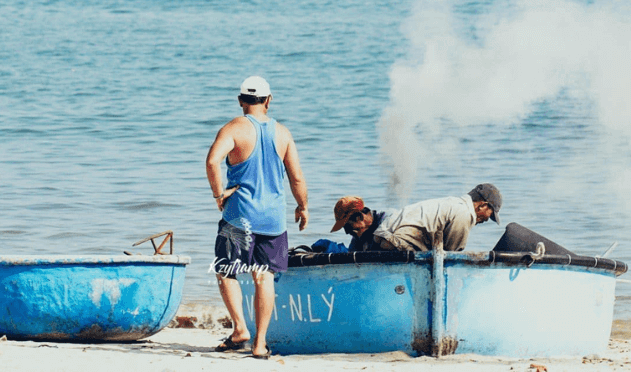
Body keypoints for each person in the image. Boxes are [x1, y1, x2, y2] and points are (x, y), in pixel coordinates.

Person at [205, 75, 308, 360]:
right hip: (273, 219)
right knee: (263, 278)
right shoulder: (283, 133)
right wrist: (303, 207)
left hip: (239, 216)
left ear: (240, 101)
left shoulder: (233, 128)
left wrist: (218, 195)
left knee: (226, 271)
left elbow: (212, 161)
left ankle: (240, 328)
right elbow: (296, 177)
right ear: (268, 100)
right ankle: (260, 344)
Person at [330, 184, 502, 253]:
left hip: (387, 237)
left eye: (349, 228)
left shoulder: (455, 205)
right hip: (393, 240)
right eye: (490, 216)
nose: (487, 220)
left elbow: (448, 253)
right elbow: (452, 257)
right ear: (482, 206)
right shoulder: (463, 212)